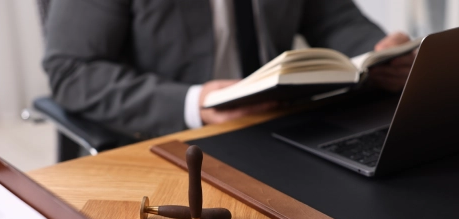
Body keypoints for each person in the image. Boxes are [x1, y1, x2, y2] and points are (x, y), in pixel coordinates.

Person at [43, 0, 415, 140]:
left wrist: (379, 53)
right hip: (170, 135)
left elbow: (334, 19)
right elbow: (71, 70)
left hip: (281, 122)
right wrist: (196, 104)